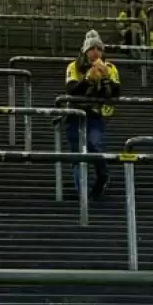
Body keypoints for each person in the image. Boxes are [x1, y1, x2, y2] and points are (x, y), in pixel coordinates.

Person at [64, 30, 121, 199]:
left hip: (96, 114)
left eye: (98, 48)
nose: (95, 52)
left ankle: (102, 177)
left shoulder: (110, 68)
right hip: (75, 113)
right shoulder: (73, 66)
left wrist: (106, 81)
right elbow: (71, 89)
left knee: (94, 143)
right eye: (91, 48)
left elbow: (117, 92)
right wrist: (88, 79)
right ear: (84, 50)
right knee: (77, 150)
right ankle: (82, 191)